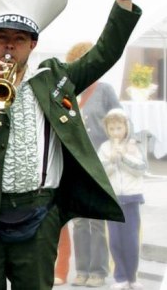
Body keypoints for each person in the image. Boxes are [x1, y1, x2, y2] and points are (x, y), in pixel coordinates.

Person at [0, 0, 141, 288]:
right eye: (2, 38)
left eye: (19, 39)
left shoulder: (53, 79)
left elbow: (104, 54)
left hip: (39, 214)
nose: (10, 46)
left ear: (33, 44)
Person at [67, 42, 121, 287]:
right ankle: (82, 270)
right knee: (79, 220)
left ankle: (98, 271)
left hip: (100, 162)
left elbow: (119, 120)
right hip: (76, 163)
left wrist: (115, 149)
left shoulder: (105, 90)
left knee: (97, 220)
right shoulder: (70, 90)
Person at [98, 108, 146, 290]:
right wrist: (111, 160)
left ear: (126, 127)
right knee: (115, 240)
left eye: (119, 128)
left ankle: (133, 277)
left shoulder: (134, 145)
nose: (116, 132)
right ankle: (120, 277)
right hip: (113, 199)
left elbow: (141, 168)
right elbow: (100, 171)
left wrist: (124, 156)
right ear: (107, 130)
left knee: (131, 240)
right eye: (112, 129)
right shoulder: (104, 148)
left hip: (131, 198)